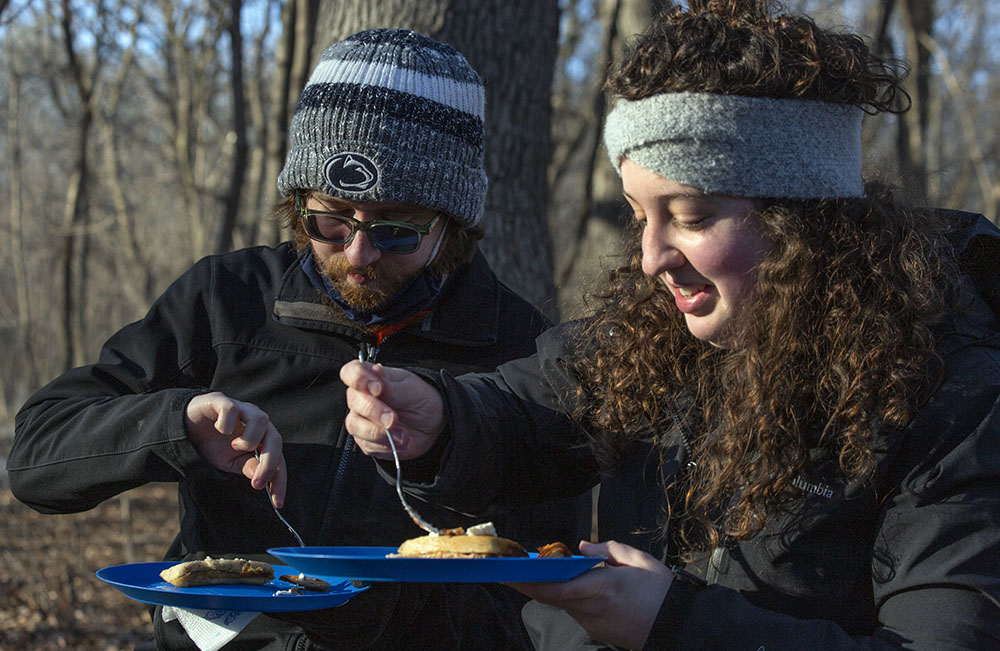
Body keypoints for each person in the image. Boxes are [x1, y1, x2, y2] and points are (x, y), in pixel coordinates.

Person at [339, 2, 1000, 649]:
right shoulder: (656, 330)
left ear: (804, 221)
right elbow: (531, 411)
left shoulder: (950, 395)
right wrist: (442, 422)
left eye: (691, 215)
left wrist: (676, 623)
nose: (652, 258)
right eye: (638, 213)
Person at [8, 28, 586, 650]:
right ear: (296, 202)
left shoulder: (522, 352)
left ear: (453, 224)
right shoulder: (224, 300)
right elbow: (37, 458)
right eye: (330, 218)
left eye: (396, 229)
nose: (358, 254)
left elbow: (548, 586)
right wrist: (178, 425)